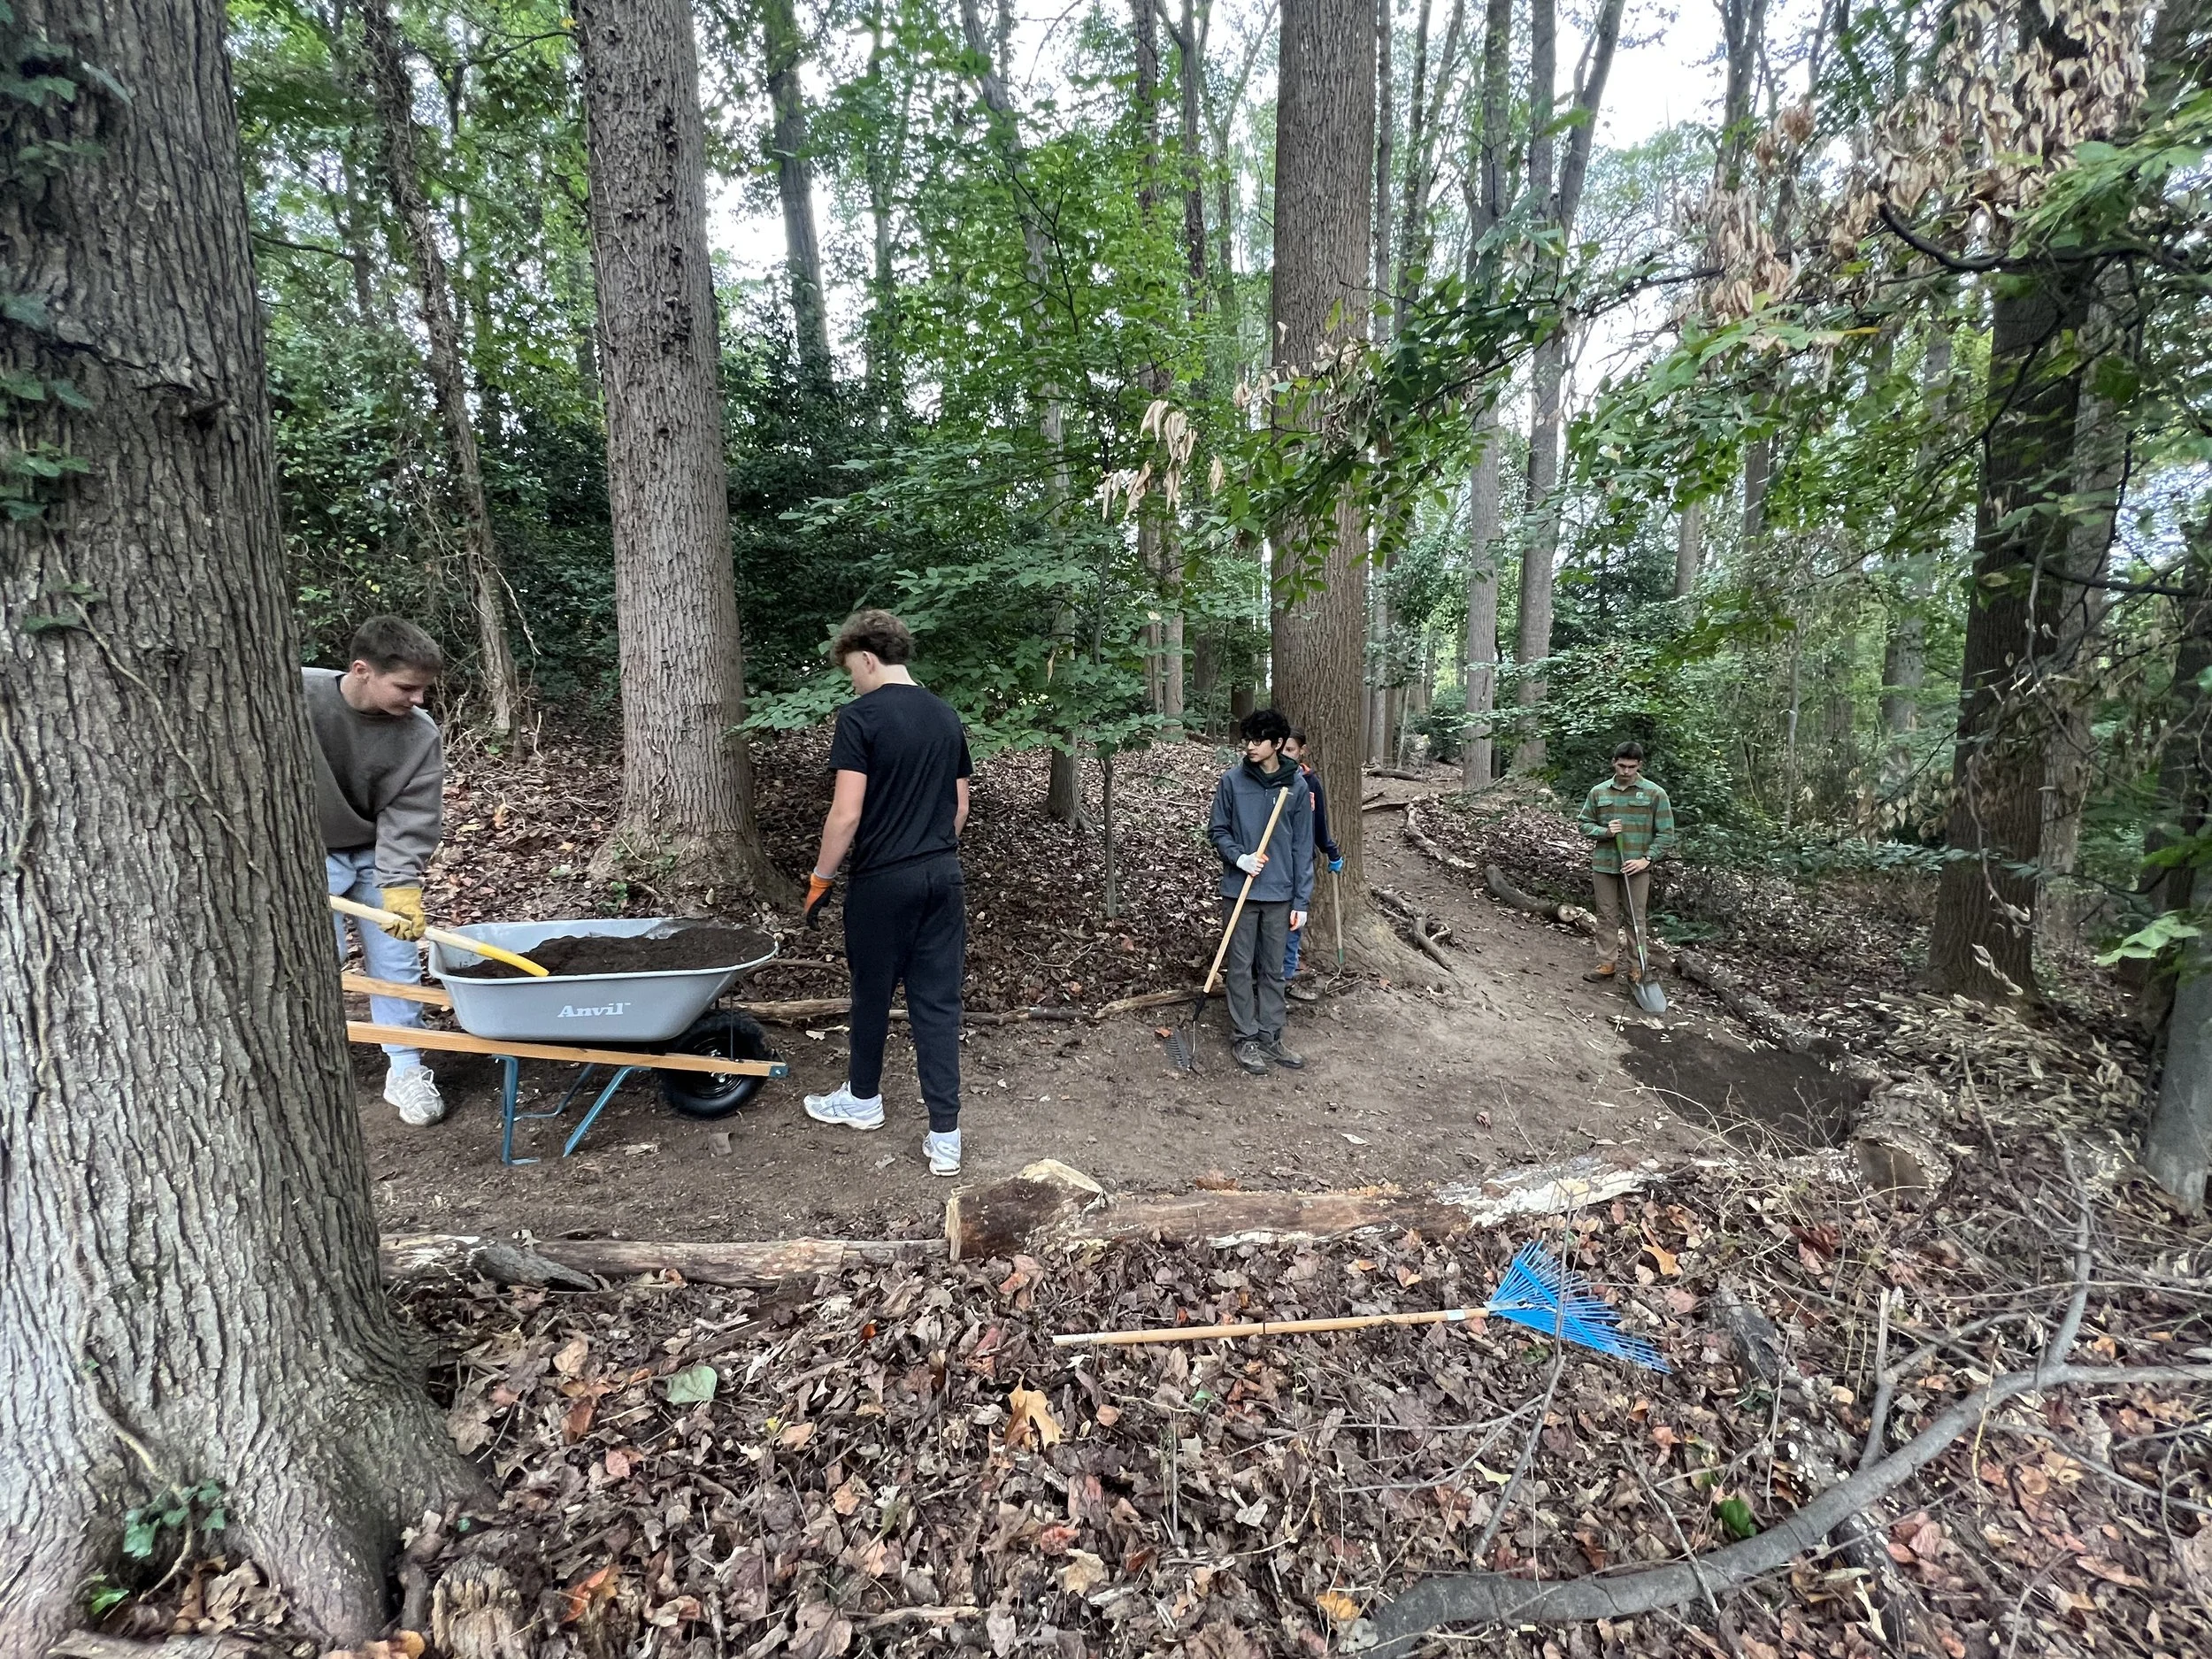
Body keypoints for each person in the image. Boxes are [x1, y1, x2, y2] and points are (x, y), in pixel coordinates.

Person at [799, 610, 973, 1175]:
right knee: (938, 1000)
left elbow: (846, 814)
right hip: (943, 877)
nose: (851, 680)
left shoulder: (861, 717)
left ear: (868, 658)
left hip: (882, 882)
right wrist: (929, 849)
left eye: (851, 669)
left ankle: (863, 1099)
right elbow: (960, 808)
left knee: (872, 990)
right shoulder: (947, 717)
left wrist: (821, 880)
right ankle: (945, 1136)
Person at [308, 616, 448, 1126]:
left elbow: (409, 815)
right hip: (303, 850)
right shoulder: (293, 698)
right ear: (362, 670)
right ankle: (310, 1061)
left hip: (374, 852)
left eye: (424, 689)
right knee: (312, 956)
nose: (419, 699)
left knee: (394, 956)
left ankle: (405, 1067)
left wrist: (401, 888)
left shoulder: (417, 734)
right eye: (407, 687)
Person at [1207, 708, 1315, 1074]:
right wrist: (1240, 859)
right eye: (1247, 740)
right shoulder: (1232, 781)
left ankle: (1270, 1035)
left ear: (1278, 744)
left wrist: (1301, 899)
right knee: (1239, 967)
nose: (1250, 747)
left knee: (1273, 969)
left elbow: (1304, 846)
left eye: (1258, 741)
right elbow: (1218, 831)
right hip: (1239, 891)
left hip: (1280, 894)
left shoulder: (1296, 786)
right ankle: (1245, 1037)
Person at [1577, 741, 1677, 984]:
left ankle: (1637, 968)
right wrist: (1605, 832)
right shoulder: (1599, 792)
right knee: (1606, 916)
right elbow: (1583, 824)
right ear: (1614, 762)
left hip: (1637, 867)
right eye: (1621, 766)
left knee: (1635, 917)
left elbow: (1666, 834)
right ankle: (1606, 964)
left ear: (1639, 765)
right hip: (1604, 864)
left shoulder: (1655, 794)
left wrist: (1646, 860)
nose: (1626, 771)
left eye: (1631, 767)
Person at [1279, 727, 1343, 1002]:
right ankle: (1265, 979)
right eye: (1282, 749)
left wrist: (1331, 852)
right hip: (1273, 863)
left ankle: (1287, 979)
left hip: (1301, 863)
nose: (1285, 755)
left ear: (1302, 751)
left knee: (1295, 921)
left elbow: (1319, 825)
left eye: (1291, 750)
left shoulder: (1311, 784)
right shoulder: (1270, 781)